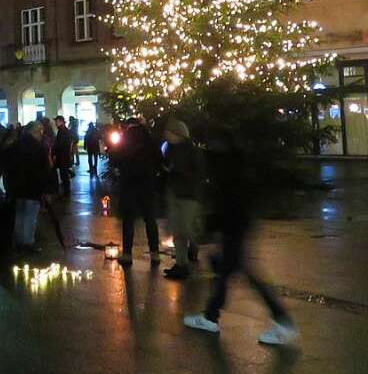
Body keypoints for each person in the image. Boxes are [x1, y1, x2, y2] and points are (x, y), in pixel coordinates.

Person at [184, 128, 298, 345]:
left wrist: (212, 225)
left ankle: (282, 321)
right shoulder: (236, 162)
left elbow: (228, 200)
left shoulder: (226, 167)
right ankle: (210, 316)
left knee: (244, 273)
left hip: (233, 226)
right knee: (227, 271)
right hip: (237, 225)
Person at [109, 117, 162, 266]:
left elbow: (114, 157)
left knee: (128, 219)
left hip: (129, 184)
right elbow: (159, 159)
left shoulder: (124, 139)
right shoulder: (149, 139)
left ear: (128, 126)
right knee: (149, 218)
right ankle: (155, 253)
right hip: (147, 184)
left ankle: (127, 254)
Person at [162, 119, 205, 280]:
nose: (167, 135)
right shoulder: (170, 149)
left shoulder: (192, 151)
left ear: (178, 134)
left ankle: (193, 250)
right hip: (175, 193)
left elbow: (198, 174)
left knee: (186, 229)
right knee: (178, 231)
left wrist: (178, 172)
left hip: (188, 195)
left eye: (170, 133)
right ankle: (181, 264)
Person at [2, 122, 49, 253]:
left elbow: (5, 161)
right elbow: (43, 169)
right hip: (32, 188)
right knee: (30, 215)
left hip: (16, 188)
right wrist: (45, 187)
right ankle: (27, 243)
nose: (41, 134)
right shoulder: (38, 148)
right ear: (32, 132)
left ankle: (20, 241)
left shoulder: (15, 146)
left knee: (20, 214)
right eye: (39, 131)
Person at [53, 116, 74, 198]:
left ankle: (66, 192)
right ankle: (66, 191)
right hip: (63, 156)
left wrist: (55, 151)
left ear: (61, 122)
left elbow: (61, 144)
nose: (55, 123)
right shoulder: (63, 131)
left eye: (57, 121)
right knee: (64, 174)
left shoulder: (63, 131)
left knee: (64, 175)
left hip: (63, 156)